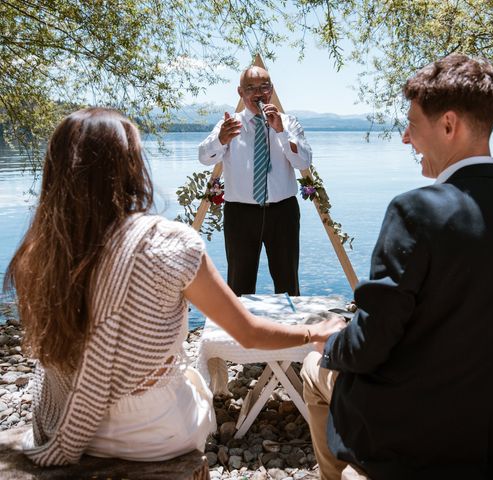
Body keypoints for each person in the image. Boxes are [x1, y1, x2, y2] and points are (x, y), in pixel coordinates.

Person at [4, 107, 344, 467]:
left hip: (62, 415)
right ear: (131, 167)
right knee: (195, 393)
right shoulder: (169, 244)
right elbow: (247, 332)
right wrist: (313, 331)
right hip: (151, 429)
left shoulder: (38, 249)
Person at [301, 54, 493, 479]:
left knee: (314, 369)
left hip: (406, 438)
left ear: (448, 125)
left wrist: (329, 343)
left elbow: (371, 344)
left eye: (412, 124)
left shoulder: (415, 211)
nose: (406, 138)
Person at [198, 66, 311, 296]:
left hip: (283, 213)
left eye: (264, 87)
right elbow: (204, 158)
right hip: (240, 214)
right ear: (240, 92)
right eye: (251, 88)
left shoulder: (289, 123)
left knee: (288, 283)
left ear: (272, 90)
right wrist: (220, 140)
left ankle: (289, 330)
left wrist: (280, 131)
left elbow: (303, 162)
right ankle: (240, 332)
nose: (258, 93)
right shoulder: (229, 124)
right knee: (239, 285)